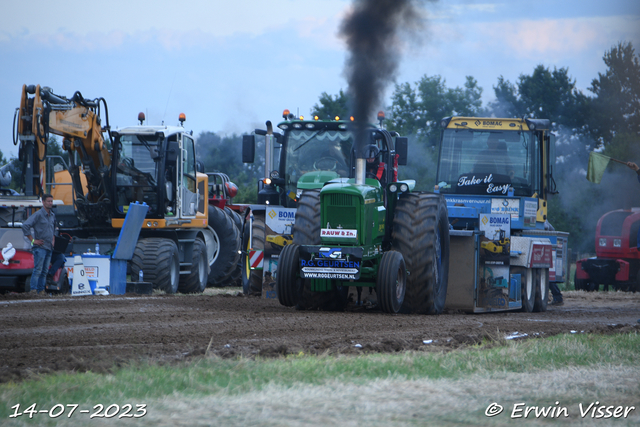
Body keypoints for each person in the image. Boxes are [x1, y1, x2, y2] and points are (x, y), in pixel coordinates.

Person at [22, 194, 56, 294]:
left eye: (51, 201)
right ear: (43, 202)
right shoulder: (38, 214)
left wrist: (53, 240)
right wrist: (33, 240)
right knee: (38, 270)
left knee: (44, 271)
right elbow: (25, 225)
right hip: (40, 247)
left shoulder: (52, 215)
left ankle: (41, 290)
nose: (50, 203)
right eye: (48, 201)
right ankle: (33, 290)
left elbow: (53, 229)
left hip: (49, 247)